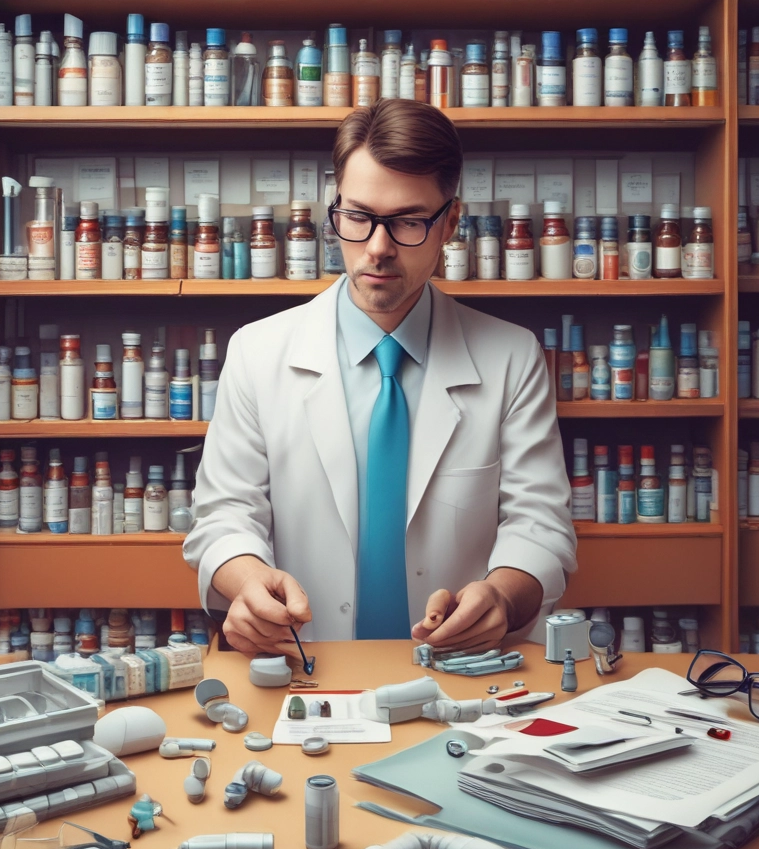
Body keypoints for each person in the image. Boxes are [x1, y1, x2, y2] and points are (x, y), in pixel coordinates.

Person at [183, 98, 576, 659]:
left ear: (451, 224)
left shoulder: (511, 357)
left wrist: (502, 597)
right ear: (335, 209)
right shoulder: (257, 351)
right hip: (305, 663)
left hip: (459, 673)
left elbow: (540, 526)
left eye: (410, 221)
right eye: (359, 216)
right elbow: (224, 514)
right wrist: (246, 583)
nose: (377, 248)